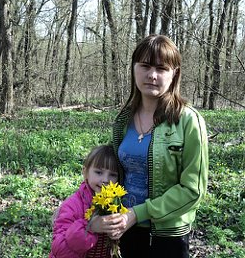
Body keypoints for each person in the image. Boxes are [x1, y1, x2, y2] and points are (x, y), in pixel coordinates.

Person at [107, 34, 209, 257]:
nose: (152, 75)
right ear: (134, 68)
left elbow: (193, 190)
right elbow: (107, 174)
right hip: (126, 229)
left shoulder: (189, 121)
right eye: (144, 66)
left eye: (161, 68)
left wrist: (138, 213)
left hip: (168, 236)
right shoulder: (123, 120)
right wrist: (76, 209)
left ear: (174, 74)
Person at [49, 144, 120, 258]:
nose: (106, 180)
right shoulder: (73, 205)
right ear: (85, 172)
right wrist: (90, 227)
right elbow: (59, 248)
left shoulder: (117, 203)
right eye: (98, 172)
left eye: (112, 175)